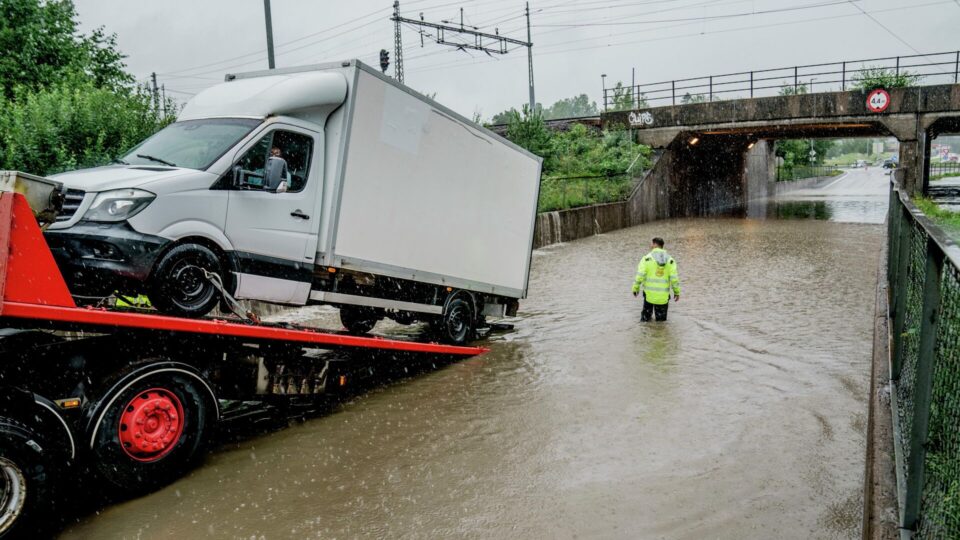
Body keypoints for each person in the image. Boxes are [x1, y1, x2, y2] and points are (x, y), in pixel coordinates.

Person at [631, 237, 681, 321]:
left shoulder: (646, 259)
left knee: (645, 322)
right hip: (663, 297)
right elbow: (674, 279)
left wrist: (635, 288)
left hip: (648, 296)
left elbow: (640, 275)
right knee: (661, 325)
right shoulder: (670, 260)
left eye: (652, 244)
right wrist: (676, 292)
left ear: (654, 244)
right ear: (662, 246)